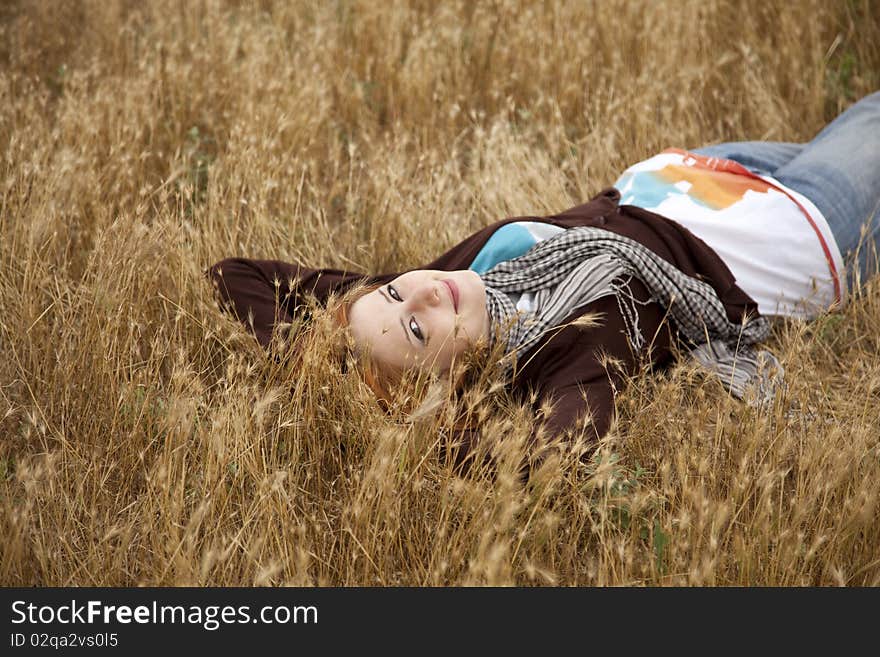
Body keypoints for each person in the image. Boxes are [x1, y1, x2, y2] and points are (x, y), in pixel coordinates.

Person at [208, 91, 880, 471]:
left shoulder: (452, 282)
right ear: (449, 386)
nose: (415, 294)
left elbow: (235, 276)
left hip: (692, 174)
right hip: (799, 228)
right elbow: (560, 456)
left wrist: (314, 362)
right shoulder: (569, 351)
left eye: (389, 292)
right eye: (416, 329)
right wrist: (415, 429)